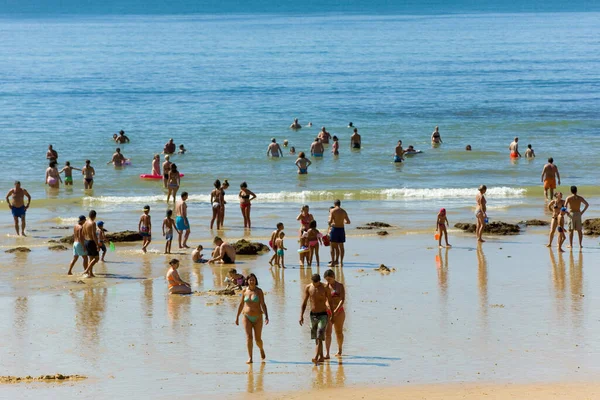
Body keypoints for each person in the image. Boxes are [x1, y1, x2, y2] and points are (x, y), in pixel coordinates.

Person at [300, 274, 333, 364]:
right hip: (313, 315)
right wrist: (301, 316)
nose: (315, 285)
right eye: (313, 283)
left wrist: (332, 314)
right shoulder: (308, 287)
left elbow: (330, 301)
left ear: (319, 281)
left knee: (319, 335)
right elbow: (304, 302)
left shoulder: (325, 287)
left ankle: (316, 357)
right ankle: (321, 357)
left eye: (317, 283)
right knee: (317, 338)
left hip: (323, 315)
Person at [235, 273, 269, 364]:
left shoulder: (259, 291)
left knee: (258, 339)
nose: (252, 281)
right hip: (246, 317)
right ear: (247, 281)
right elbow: (241, 304)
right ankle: (250, 357)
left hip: (258, 317)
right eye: (250, 280)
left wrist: (266, 316)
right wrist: (237, 316)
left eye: (253, 280)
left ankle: (261, 348)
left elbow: (263, 304)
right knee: (249, 337)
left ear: (256, 281)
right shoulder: (244, 291)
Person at [324, 269, 345, 358]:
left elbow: (342, 299)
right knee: (327, 332)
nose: (328, 281)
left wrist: (336, 310)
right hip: (328, 311)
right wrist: (327, 306)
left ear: (334, 277)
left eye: (330, 279)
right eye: (326, 279)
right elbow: (324, 299)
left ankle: (340, 350)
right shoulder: (325, 286)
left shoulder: (340, 286)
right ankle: (327, 353)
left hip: (339, 311)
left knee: (338, 332)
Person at [328, 200, 351, 267]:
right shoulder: (343, 211)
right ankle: (341, 262)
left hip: (334, 229)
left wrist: (331, 223)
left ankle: (332, 263)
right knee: (341, 247)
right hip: (341, 229)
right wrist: (342, 221)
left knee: (332, 246)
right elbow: (348, 222)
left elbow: (330, 221)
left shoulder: (332, 211)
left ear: (334, 204)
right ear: (340, 204)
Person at [82, 210, 100, 278]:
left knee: (91, 258)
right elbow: (94, 235)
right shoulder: (93, 223)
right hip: (91, 242)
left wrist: (84, 242)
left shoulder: (85, 223)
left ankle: (91, 273)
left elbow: (83, 233)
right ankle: (87, 270)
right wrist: (97, 245)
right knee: (96, 259)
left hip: (86, 241)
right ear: (95, 216)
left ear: (89, 215)